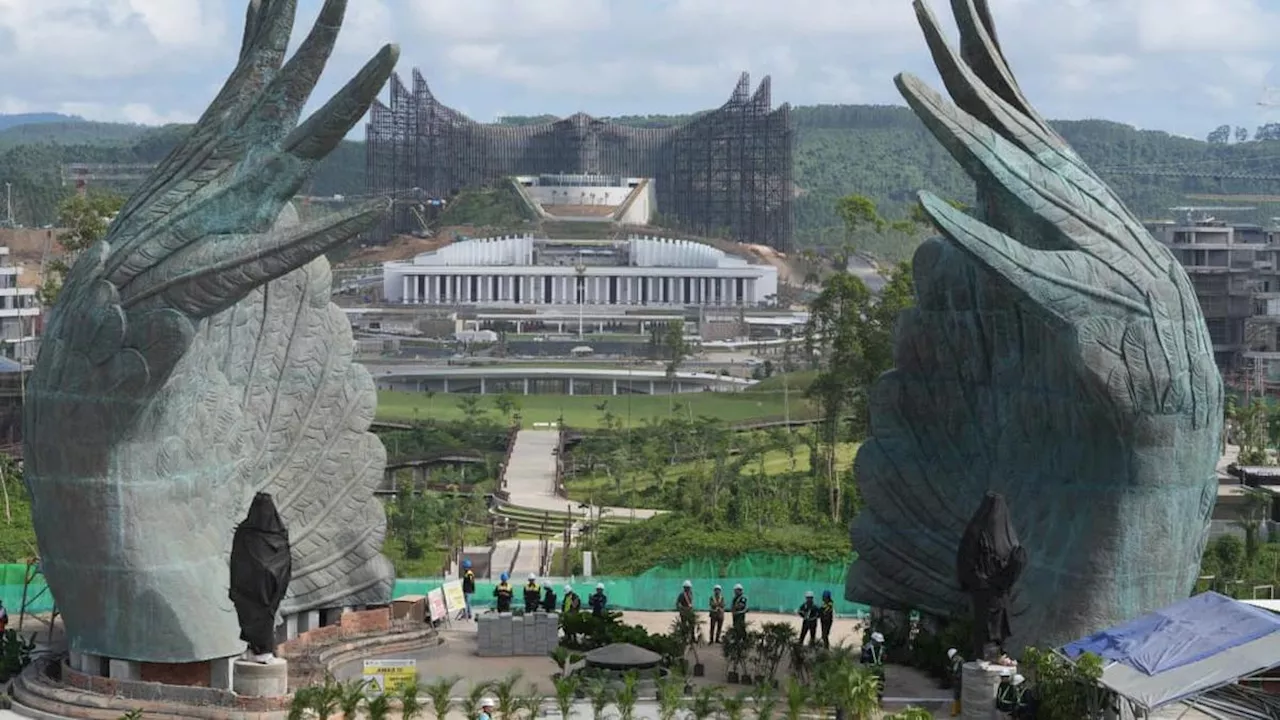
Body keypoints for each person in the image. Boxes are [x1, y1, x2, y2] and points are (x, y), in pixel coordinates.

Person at [861, 631, 886, 697]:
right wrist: (867, 667)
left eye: (880, 642)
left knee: (880, 683)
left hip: (880, 668)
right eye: (877, 642)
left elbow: (884, 658)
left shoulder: (882, 648)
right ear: (873, 640)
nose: (879, 643)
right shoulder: (868, 648)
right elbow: (864, 659)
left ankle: (879, 697)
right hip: (871, 668)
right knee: (870, 683)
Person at [948, 648, 963, 716]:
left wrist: (951, 672)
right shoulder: (961, 659)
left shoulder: (957, 660)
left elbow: (955, 670)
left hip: (958, 679)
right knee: (959, 695)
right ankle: (959, 709)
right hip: (961, 679)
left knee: (956, 695)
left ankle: (954, 711)